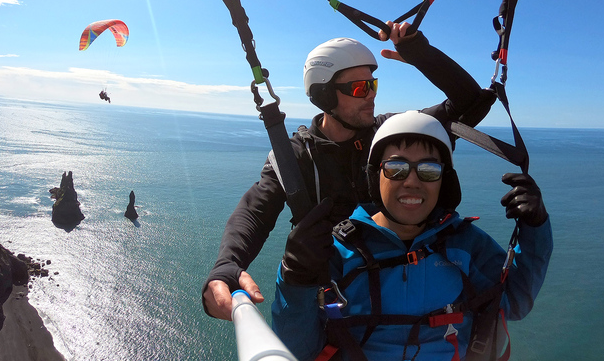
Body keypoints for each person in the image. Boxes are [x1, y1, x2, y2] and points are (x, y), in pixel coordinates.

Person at [203, 24, 494, 320]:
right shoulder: (298, 156)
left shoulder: (392, 135)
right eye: (359, 88)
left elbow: (472, 103)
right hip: (340, 301)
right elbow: (255, 212)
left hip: (410, 290)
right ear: (325, 96)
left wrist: (420, 52)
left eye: (373, 85)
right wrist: (227, 265)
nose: (371, 96)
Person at [272, 110, 552, 361]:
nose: (412, 181)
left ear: (444, 181)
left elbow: (515, 301)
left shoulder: (466, 245)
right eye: (396, 168)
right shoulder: (336, 251)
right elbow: (297, 351)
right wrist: (294, 277)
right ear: (375, 176)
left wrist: (535, 227)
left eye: (429, 170)